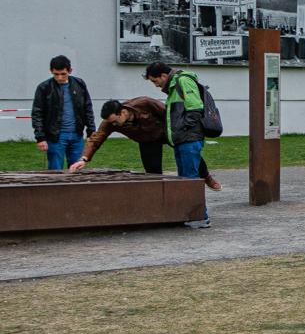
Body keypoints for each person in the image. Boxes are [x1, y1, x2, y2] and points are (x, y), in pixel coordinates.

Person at [67, 97, 220, 189]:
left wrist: (180, 131)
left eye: (115, 121)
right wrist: (83, 159)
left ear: (122, 112)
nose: (113, 125)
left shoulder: (144, 103)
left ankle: (206, 177)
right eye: (110, 122)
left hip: (166, 133)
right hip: (147, 141)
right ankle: (159, 197)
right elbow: (96, 138)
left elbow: (168, 113)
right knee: (152, 173)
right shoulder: (109, 123)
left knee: (189, 153)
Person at [144, 62, 212, 228]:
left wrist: (182, 128)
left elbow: (195, 107)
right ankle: (189, 215)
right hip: (181, 139)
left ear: (164, 76)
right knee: (185, 178)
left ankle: (200, 217)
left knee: (190, 179)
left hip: (189, 138)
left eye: (155, 81)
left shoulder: (183, 81)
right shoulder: (174, 87)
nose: (156, 85)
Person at [31, 55, 94, 172]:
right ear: (51, 71)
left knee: (77, 170)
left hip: (77, 135)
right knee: (55, 172)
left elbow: (87, 108)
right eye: (56, 74)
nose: (59, 77)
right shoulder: (44, 87)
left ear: (70, 71)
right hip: (55, 136)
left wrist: (91, 131)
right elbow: (37, 113)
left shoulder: (79, 84)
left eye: (63, 74)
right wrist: (40, 137)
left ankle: (76, 190)